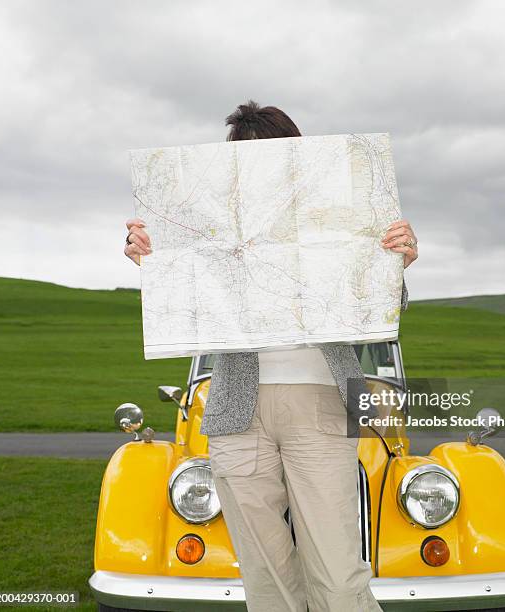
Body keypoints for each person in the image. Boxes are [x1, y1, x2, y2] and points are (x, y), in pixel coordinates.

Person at [124, 100, 418, 612]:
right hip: (236, 411)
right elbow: (186, 304)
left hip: (324, 403)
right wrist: (154, 259)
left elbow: (384, 310)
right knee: (265, 577)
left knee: (338, 574)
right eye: (245, 157)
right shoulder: (208, 223)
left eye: (272, 154)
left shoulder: (341, 214)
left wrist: (396, 263)